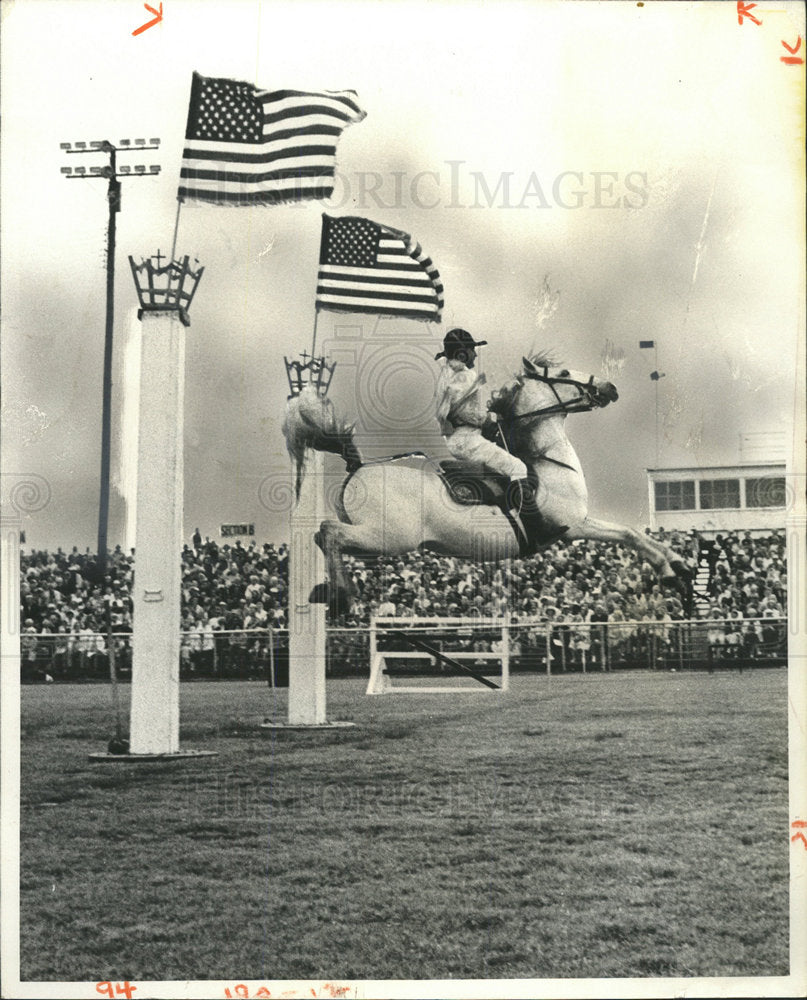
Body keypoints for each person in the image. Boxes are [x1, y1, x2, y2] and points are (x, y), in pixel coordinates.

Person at [434, 327, 555, 548]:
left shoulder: (447, 374)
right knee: (518, 467)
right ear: (462, 353)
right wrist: (487, 421)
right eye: (472, 350)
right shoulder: (465, 375)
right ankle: (537, 528)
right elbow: (461, 412)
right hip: (467, 438)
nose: (475, 355)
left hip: (460, 438)